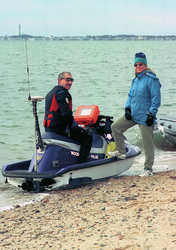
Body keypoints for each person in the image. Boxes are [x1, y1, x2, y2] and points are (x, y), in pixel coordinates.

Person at [108, 52, 161, 177]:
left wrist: (151, 115)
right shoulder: (135, 79)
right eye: (136, 64)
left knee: (147, 144)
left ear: (145, 65)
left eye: (140, 64)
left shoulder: (151, 79)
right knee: (115, 127)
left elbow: (156, 99)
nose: (138, 66)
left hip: (145, 116)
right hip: (133, 114)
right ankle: (121, 152)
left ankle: (148, 169)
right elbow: (130, 96)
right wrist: (127, 108)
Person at [43, 71, 93, 163]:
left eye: (71, 80)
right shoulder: (62, 93)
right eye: (67, 80)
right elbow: (66, 114)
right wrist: (75, 127)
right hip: (60, 130)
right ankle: (82, 162)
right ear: (60, 80)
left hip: (49, 128)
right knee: (87, 137)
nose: (70, 82)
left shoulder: (51, 92)